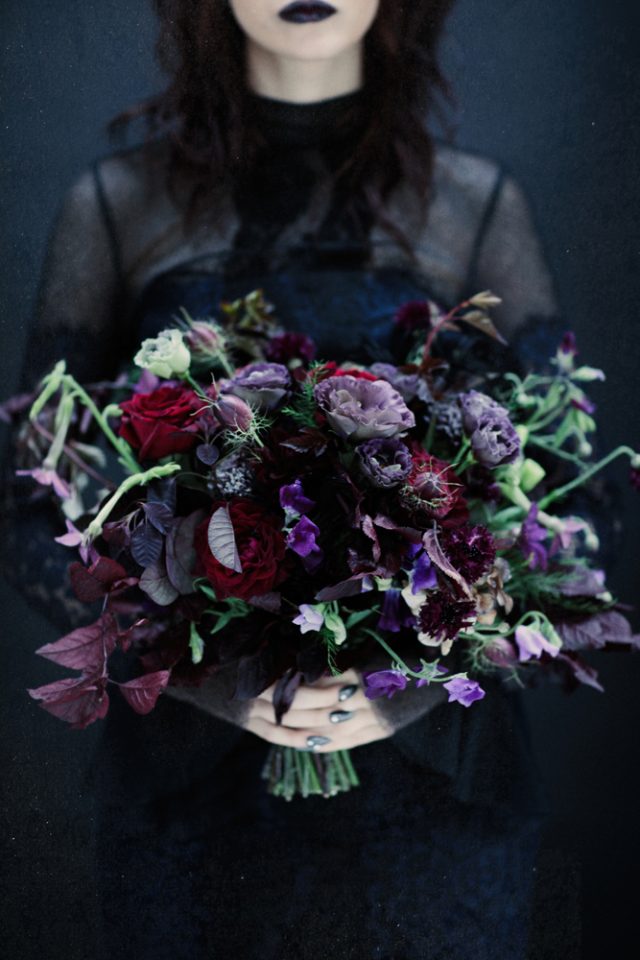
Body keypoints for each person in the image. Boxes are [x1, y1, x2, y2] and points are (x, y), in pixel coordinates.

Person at [0, 2, 574, 957]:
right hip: (194, 804)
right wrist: (205, 677)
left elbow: (571, 504)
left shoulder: (478, 206)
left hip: (438, 788)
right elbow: (31, 508)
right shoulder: (118, 205)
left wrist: (420, 679)